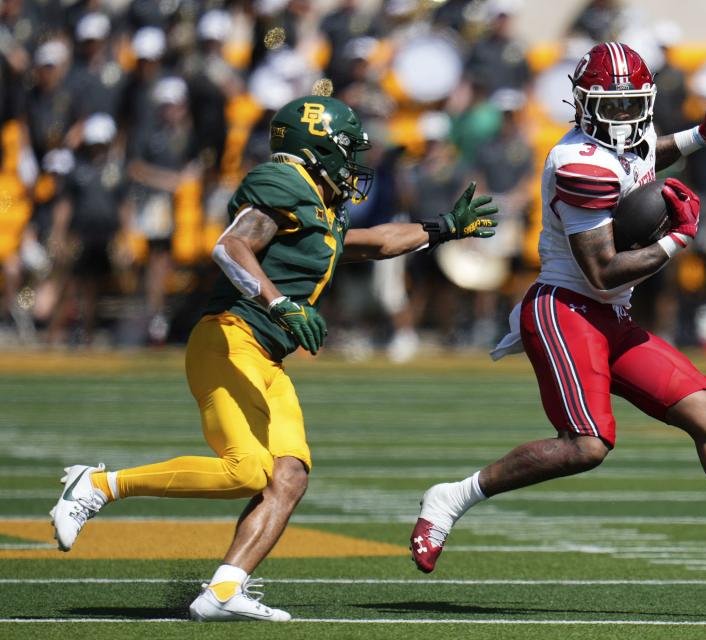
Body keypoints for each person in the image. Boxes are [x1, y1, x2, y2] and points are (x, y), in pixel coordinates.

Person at [410, 42, 706, 588]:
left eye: (632, 105)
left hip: (608, 315)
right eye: (612, 106)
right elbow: (601, 271)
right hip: (566, 309)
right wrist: (677, 240)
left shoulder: (621, 142)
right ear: (583, 104)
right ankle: (453, 496)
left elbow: (646, 153)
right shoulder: (578, 163)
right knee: (587, 445)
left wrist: (703, 136)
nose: (624, 118)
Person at [49, 94, 498, 622]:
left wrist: (442, 227)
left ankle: (222, 591)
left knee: (289, 475)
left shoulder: (320, 204)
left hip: (268, 357)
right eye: (346, 150)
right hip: (229, 338)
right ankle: (99, 485)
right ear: (318, 149)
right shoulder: (281, 183)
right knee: (246, 472)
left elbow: (372, 243)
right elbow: (231, 247)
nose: (354, 163)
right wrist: (280, 302)